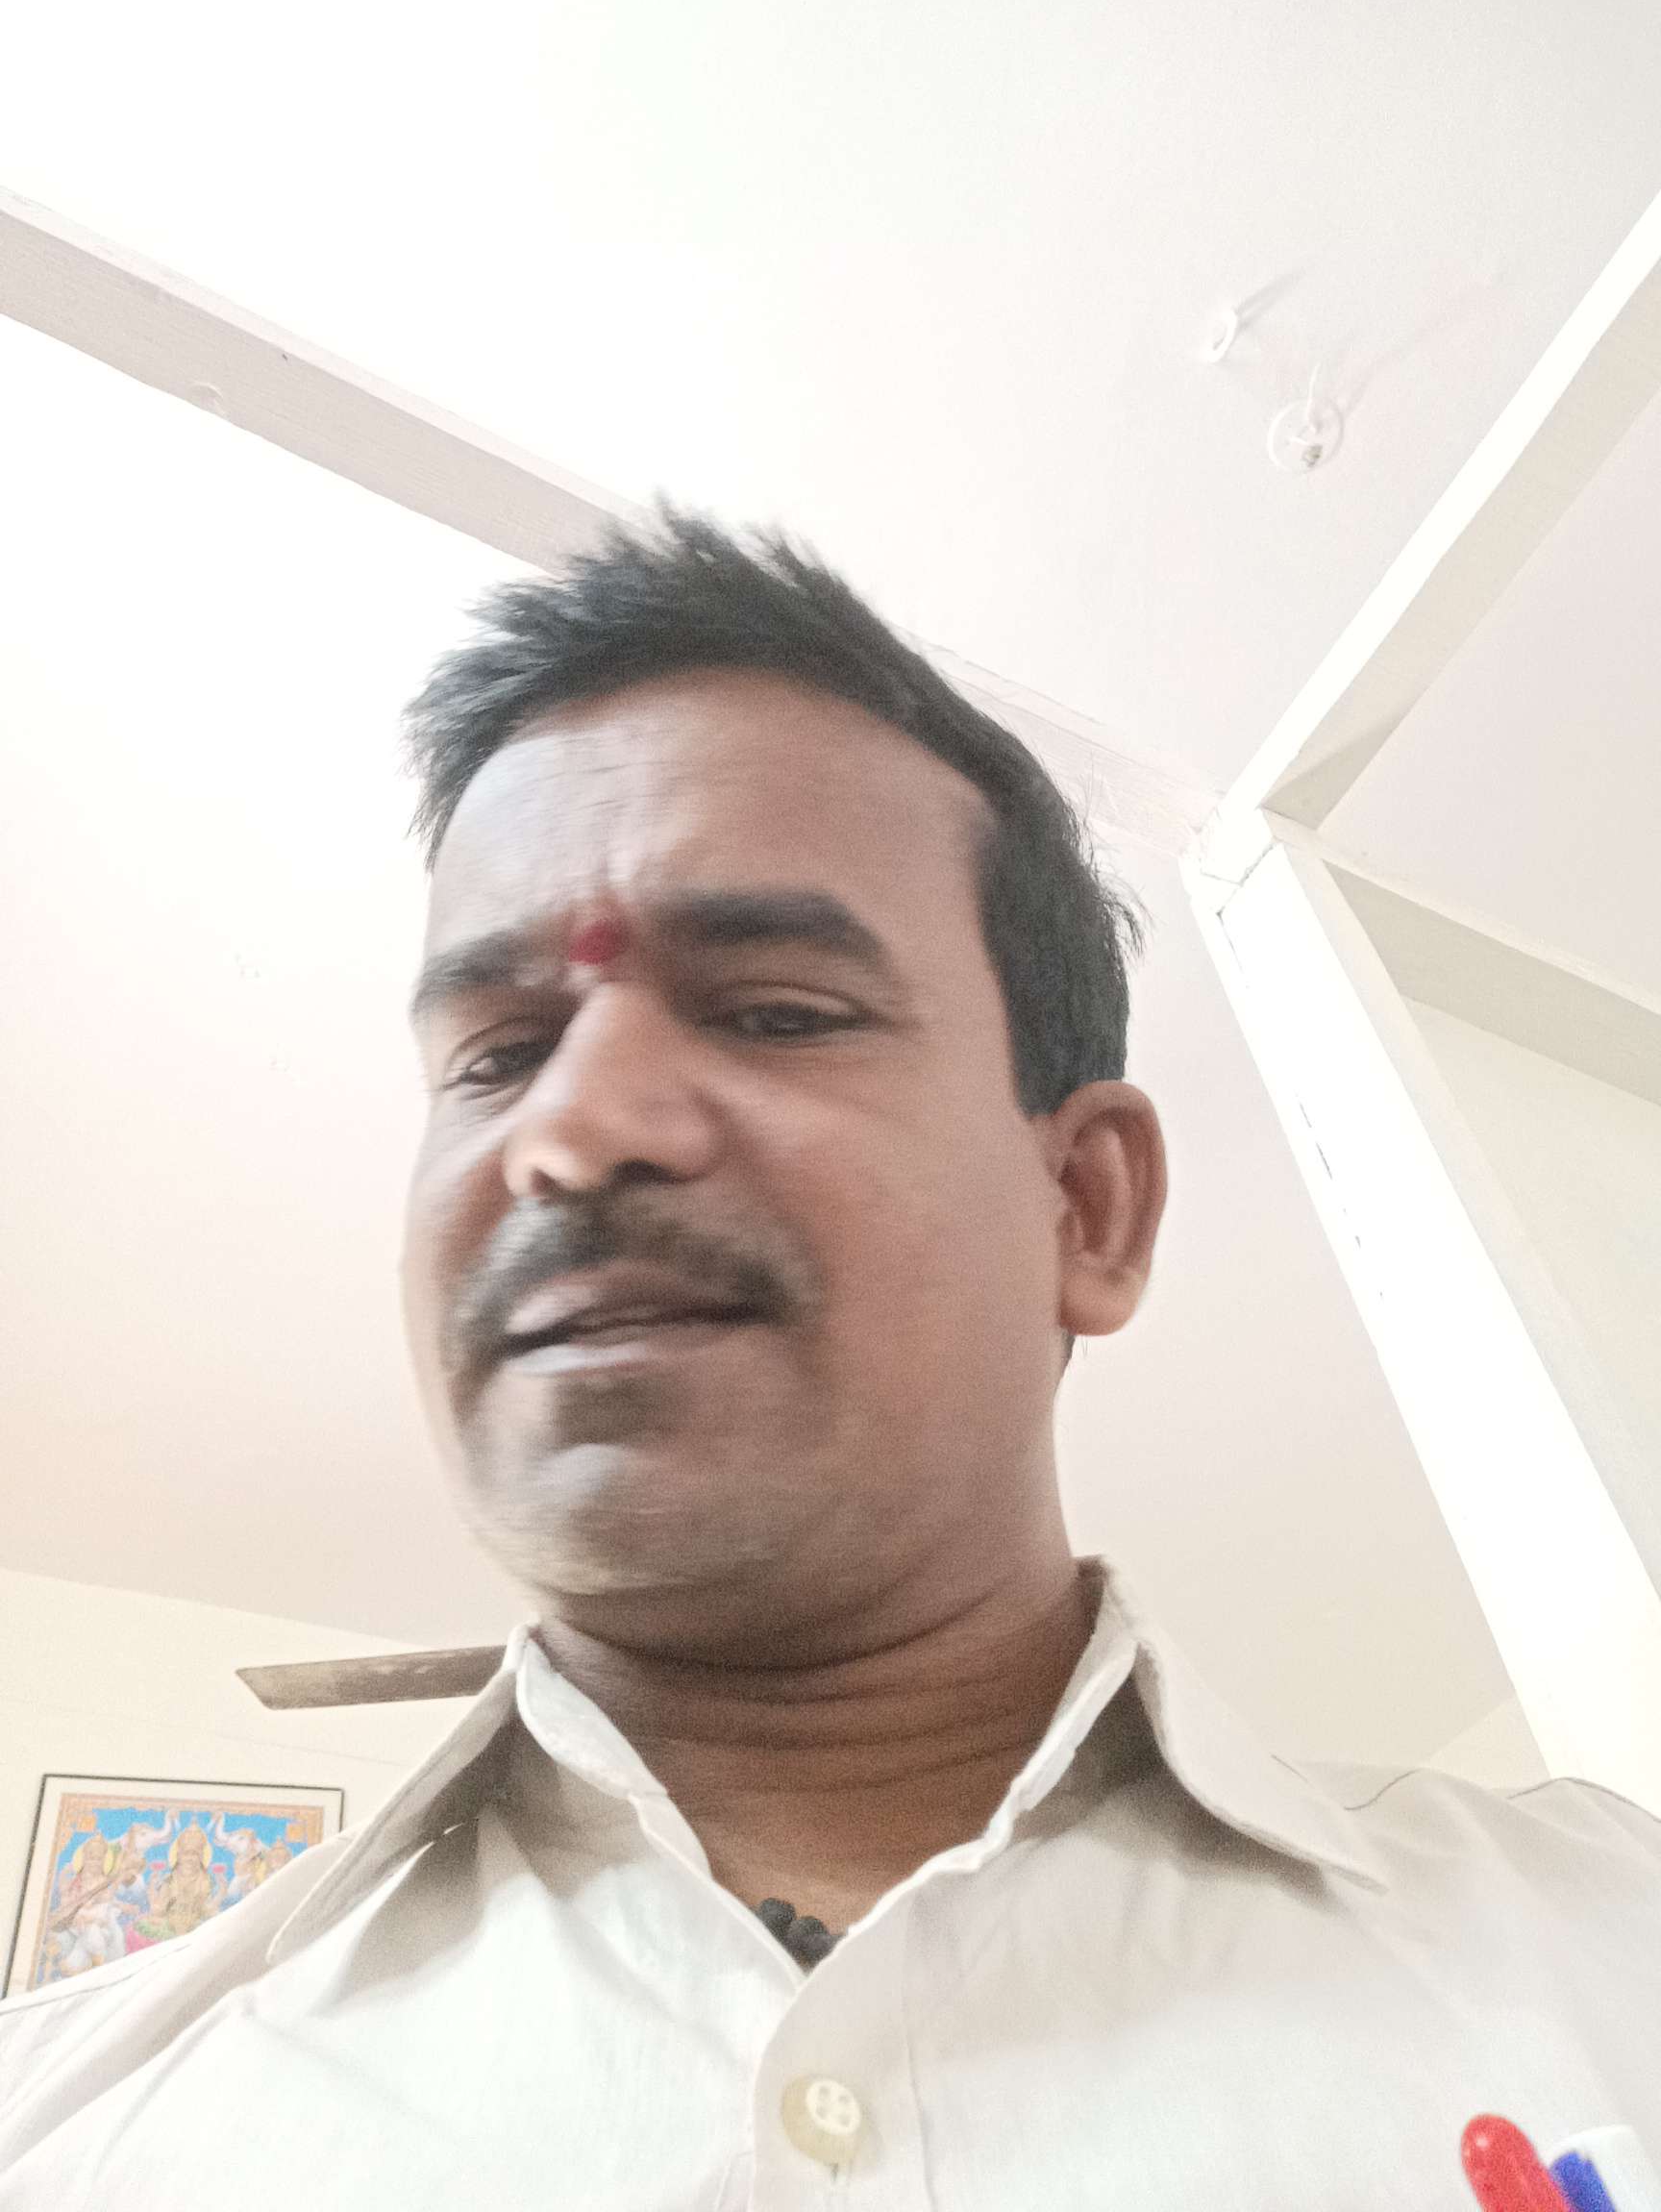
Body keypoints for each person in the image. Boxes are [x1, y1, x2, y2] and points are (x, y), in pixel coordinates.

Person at [1, 510, 1657, 2209]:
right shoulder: (59, 2129)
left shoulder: (1616, 1965)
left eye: (776, 1011)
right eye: (495, 1055)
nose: (572, 1129)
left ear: (1085, 1207)